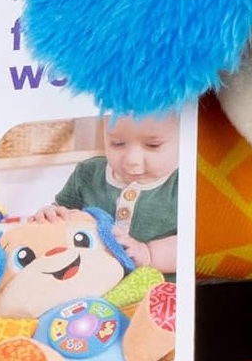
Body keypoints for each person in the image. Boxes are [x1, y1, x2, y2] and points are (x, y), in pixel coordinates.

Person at [34, 115, 179, 274]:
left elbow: (193, 246)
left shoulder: (185, 182)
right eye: (117, 143)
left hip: (157, 284)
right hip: (92, 279)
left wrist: (149, 254)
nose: (132, 160)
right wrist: (51, 214)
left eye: (153, 145)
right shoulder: (87, 173)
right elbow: (62, 216)